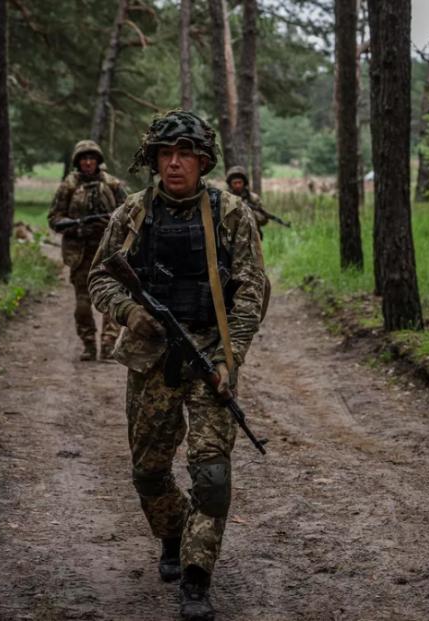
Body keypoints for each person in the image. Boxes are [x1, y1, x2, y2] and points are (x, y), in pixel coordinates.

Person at [88, 111, 266, 621]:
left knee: (211, 474)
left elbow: (251, 291)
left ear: (203, 161)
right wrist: (130, 312)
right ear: (153, 160)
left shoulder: (231, 213)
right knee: (148, 472)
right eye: (165, 154)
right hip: (152, 358)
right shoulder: (133, 212)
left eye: (185, 154)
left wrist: (230, 357)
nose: (174, 163)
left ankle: (196, 576)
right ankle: (172, 533)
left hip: (210, 354)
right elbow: (100, 278)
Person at [49, 139, 128, 360]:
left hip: (109, 253)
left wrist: (111, 224)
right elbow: (54, 219)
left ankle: (109, 343)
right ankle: (88, 344)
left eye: (91, 158)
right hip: (80, 254)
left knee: (112, 299)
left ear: (97, 160)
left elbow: (129, 214)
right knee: (83, 305)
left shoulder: (112, 184)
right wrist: (78, 226)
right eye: (84, 159)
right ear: (78, 162)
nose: (88, 162)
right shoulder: (69, 186)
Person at [224, 166, 268, 237]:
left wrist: (251, 214)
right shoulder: (225, 199)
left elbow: (264, 219)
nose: (237, 185)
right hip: (230, 237)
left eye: (240, 182)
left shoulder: (253, 198)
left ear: (244, 183)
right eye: (235, 183)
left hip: (251, 237)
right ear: (230, 184)